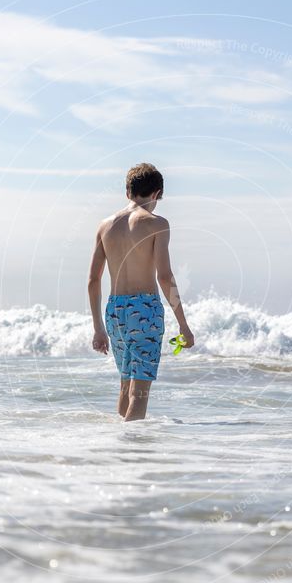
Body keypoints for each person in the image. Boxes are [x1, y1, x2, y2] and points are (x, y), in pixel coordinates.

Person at [88, 162, 194, 421]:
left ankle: (122, 448)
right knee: (140, 392)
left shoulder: (105, 225)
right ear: (157, 193)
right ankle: (133, 455)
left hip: (114, 310)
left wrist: (98, 327)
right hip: (144, 309)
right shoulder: (156, 224)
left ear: (127, 192)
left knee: (125, 386)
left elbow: (93, 279)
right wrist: (183, 325)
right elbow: (165, 276)